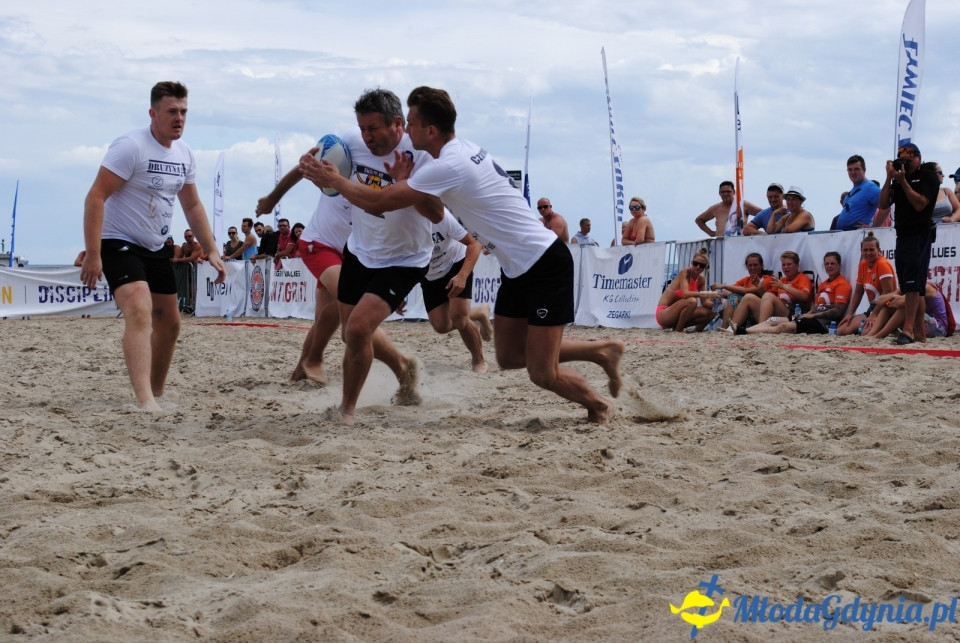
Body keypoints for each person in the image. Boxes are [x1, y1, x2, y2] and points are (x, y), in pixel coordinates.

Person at [301, 85, 623, 424]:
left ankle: (598, 406)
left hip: (544, 262)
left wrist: (335, 180)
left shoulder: (448, 164)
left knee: (542, 373)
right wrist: (401, 181)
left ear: (431, 130)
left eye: (411, 124)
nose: (407, 131)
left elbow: (380, 202)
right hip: (515, 267)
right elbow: (428, 209)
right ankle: (601, 351)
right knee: (511, 356)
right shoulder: (458, 151)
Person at [80, 81, 225, 410]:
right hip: (119, 241)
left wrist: (212, 249)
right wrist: (92, 253)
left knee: (170, 324)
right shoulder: (130, 147)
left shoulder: (184, 153)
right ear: (153, 113)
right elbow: (95, 197)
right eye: (172, 111)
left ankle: (156, 392)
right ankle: (145, 401)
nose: (179, 118)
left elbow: (193, 207)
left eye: (184, 112)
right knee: (140, 309)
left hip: (156, 245)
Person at [415, 210, 494, 373]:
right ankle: (479, 312)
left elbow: (474, 243)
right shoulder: (404, 223)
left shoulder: (441, 216)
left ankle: (479, 360)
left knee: (459, 318)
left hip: (455, 265)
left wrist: (463, 275)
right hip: (430, 274)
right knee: (441, 326)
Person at [878, 143, 941, 345]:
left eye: (910, 159)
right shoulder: (898, 178)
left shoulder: (928, 176)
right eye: (903, 160)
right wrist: (889, 177)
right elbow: (883, 204)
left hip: (919, 234)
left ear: (919, 159)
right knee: (912, 287)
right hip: (903, 235)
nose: (906, 163)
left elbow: (920, 203)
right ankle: (920, 334)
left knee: (914, 286)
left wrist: (903, 181)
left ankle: (909, 330)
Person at [744, 252, 851, 335]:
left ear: (839, 265)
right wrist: (808, 314)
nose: (829, 266)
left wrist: (811, 315)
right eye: (827, 264)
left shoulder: (842, 284)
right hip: (804, 316)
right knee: (772, 319)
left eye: (832, 263)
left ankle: (751, 333)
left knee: (783, 327)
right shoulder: (823, 284)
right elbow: (816, 306)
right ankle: (742, 331)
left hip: (823, 323)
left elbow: (837, 311)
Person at [726, 250, 812, 333]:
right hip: (775, 315)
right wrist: (760, 287)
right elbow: (766, 298)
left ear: (797, 265)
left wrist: (783, 286)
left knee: (762, 296)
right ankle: (731, 328)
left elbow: (805, 296)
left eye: (789, 264)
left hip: (793, 314)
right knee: (749, 297)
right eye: (784, 265)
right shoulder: (783, 280)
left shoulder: (802, 278)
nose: (786, 267)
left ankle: (759, 329)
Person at [836, 233, 897, 336]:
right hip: (873, 307)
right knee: (842, 330)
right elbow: (859, 291)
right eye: (865, 250)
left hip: (887, 306)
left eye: (871, 250)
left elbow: (888, 292)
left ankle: (892, 326)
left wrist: (874, 314)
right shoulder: (863, 264)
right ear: (861, 251)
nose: (868, 253)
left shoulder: (882, 264)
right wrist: (850, 313)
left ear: (879, 250)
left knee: (866, 333)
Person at [654, 248, 717, 332]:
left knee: (711, 314)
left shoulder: (701, 278)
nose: (698, 267)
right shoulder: (685, 272)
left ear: (705, 267)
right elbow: (685, 294)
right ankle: (678, 330)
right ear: (691, 263)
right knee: (692, 301)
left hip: (679, 313)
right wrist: (707, 293)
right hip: (664, 313)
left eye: (702, 265)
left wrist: (717, 302)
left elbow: (705, 302)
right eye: (695, 264)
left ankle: (696, 331)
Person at [710, 252, 776, 330]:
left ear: (761, 266)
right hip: (748, 310)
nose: (752, 268)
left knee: (739, 297)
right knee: (726, 299)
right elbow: (726, 291)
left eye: (755, 265)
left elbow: (747, 291)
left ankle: (727, 328)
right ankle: (726, 327)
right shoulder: (747, 279)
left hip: (763, 314)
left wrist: (723, 286)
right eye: (750, 265)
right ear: (746, 266)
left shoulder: (767, 279)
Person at [864, 283, 948, 342]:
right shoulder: (906, 287)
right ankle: (872, 333)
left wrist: (890, 299)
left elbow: (902, 302)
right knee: (888, 306)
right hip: (922, 322)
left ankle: (879, 335)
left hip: (939, 327)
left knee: (908, 306)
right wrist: (892, 298)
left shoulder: (927, 287)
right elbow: (880, 301)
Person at [694, 181, 761, 237]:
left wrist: (753, 229)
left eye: (728, 191)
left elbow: (764, 214)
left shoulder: (743, 205)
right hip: (720, 245)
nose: (725, 194)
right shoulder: (715, 208)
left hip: (739, 243)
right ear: (719, 193)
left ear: (734, 192)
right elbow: (699, 220)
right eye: (722, 192)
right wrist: (711, 233)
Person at [833, 155, 881, 231]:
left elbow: (886, 208)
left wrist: (874, 228)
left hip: (858, 237)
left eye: (856, 169)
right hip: (846, 236)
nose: (853, 173)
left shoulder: (871, 188)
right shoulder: (853, 190)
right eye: (850, 169)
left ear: (864, 170)